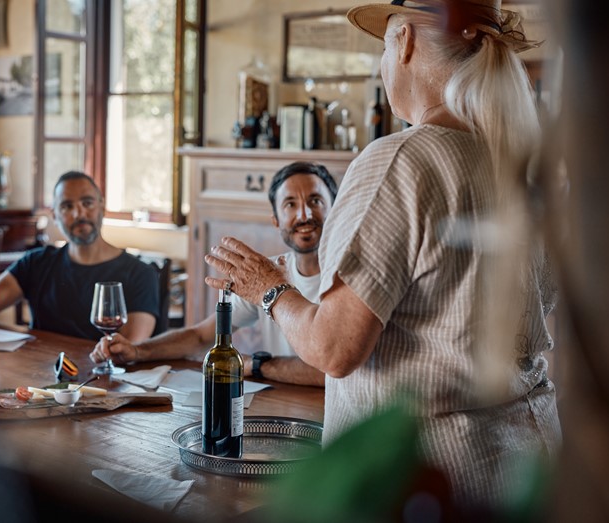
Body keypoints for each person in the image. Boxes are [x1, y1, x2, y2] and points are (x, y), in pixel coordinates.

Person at [202, 0, 560, 511]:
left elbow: (334, 349)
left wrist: (267, 287)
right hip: (530, 466)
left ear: (406, 42)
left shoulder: (399, 160)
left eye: (385, 44)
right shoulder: (522, 167)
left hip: (427, 485)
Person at [90, 162, 338, 387]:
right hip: (282, 400)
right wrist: (138, 351)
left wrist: (259, 365)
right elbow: (200, 336)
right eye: (290, 204)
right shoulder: (264, 275)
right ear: (275, 220)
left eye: (315, 201)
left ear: (336, 210)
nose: (304, 215)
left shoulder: (350, 279)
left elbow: (338, 367)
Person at [0, 171, 159, 342]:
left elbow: (130, 349)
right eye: (67, 206)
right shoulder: (36, 263)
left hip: (101, 384)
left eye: (87, 203)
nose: (79, 214)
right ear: (55, 216)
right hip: (38, 379)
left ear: (102, 207)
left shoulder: (140, 274)